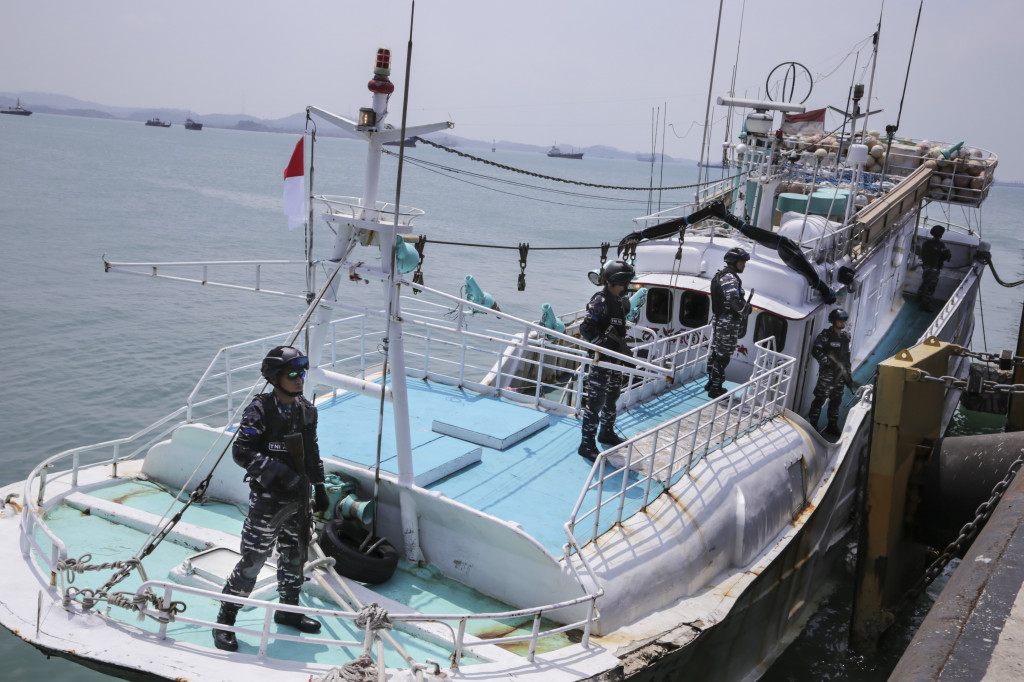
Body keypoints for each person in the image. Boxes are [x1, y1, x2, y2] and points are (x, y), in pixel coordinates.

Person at [213, 345, 331, 652]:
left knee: (296, 555)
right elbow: (242, 452)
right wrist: (279, 473)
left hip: (299, 498)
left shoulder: (305, 409)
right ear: (275, 378)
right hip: (268, 501)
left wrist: (319, 487)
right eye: (292, 374)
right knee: (254, 559)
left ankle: (288, 610)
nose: (299, 379)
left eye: (302, 373)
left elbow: (312, 451)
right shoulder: (261, 409)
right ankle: (225, 620)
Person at [578, 260, 635, 461]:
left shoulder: (618, 301)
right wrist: (603, 345)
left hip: (614, 360)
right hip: (601, 360)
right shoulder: (600, 301)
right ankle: (586, 444)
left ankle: (606, 432)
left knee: (612, 396)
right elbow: (585, 328)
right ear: (618, 281)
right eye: (625, 282)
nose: (626, 286)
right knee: (595, 402)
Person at [706, 247, 751, 398]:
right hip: (727, 323)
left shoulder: (721, 275)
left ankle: (711, 382)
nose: (744, 265)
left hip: (720, 320)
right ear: (734, 262)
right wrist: (745, 310)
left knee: (716, 353)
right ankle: (715, 389)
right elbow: (733, 300)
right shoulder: (730, 278)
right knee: (723, 356)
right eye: (742, 262)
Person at [808, 308, 855, 437]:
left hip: (840, 375)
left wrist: (848, 375)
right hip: (827, 376)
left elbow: (846, 358)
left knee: (836, 401)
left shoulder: (845, 337)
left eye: (844, 320)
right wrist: (827, 362)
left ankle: (832, 426)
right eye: (840, 320)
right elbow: (816, 351)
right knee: (820, 400)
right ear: (833, 321)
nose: (842, 322)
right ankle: (812, 425)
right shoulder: (825, 336)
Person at [917, 225, 952, 311]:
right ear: (940, 235)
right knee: (930, 287)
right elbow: (947, 256)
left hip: (926, 266)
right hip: (934, 268)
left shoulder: (926, 243)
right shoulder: (940, 245)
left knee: (925, 282)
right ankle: (924, 305)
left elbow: (922, 254)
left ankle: (918, 298)